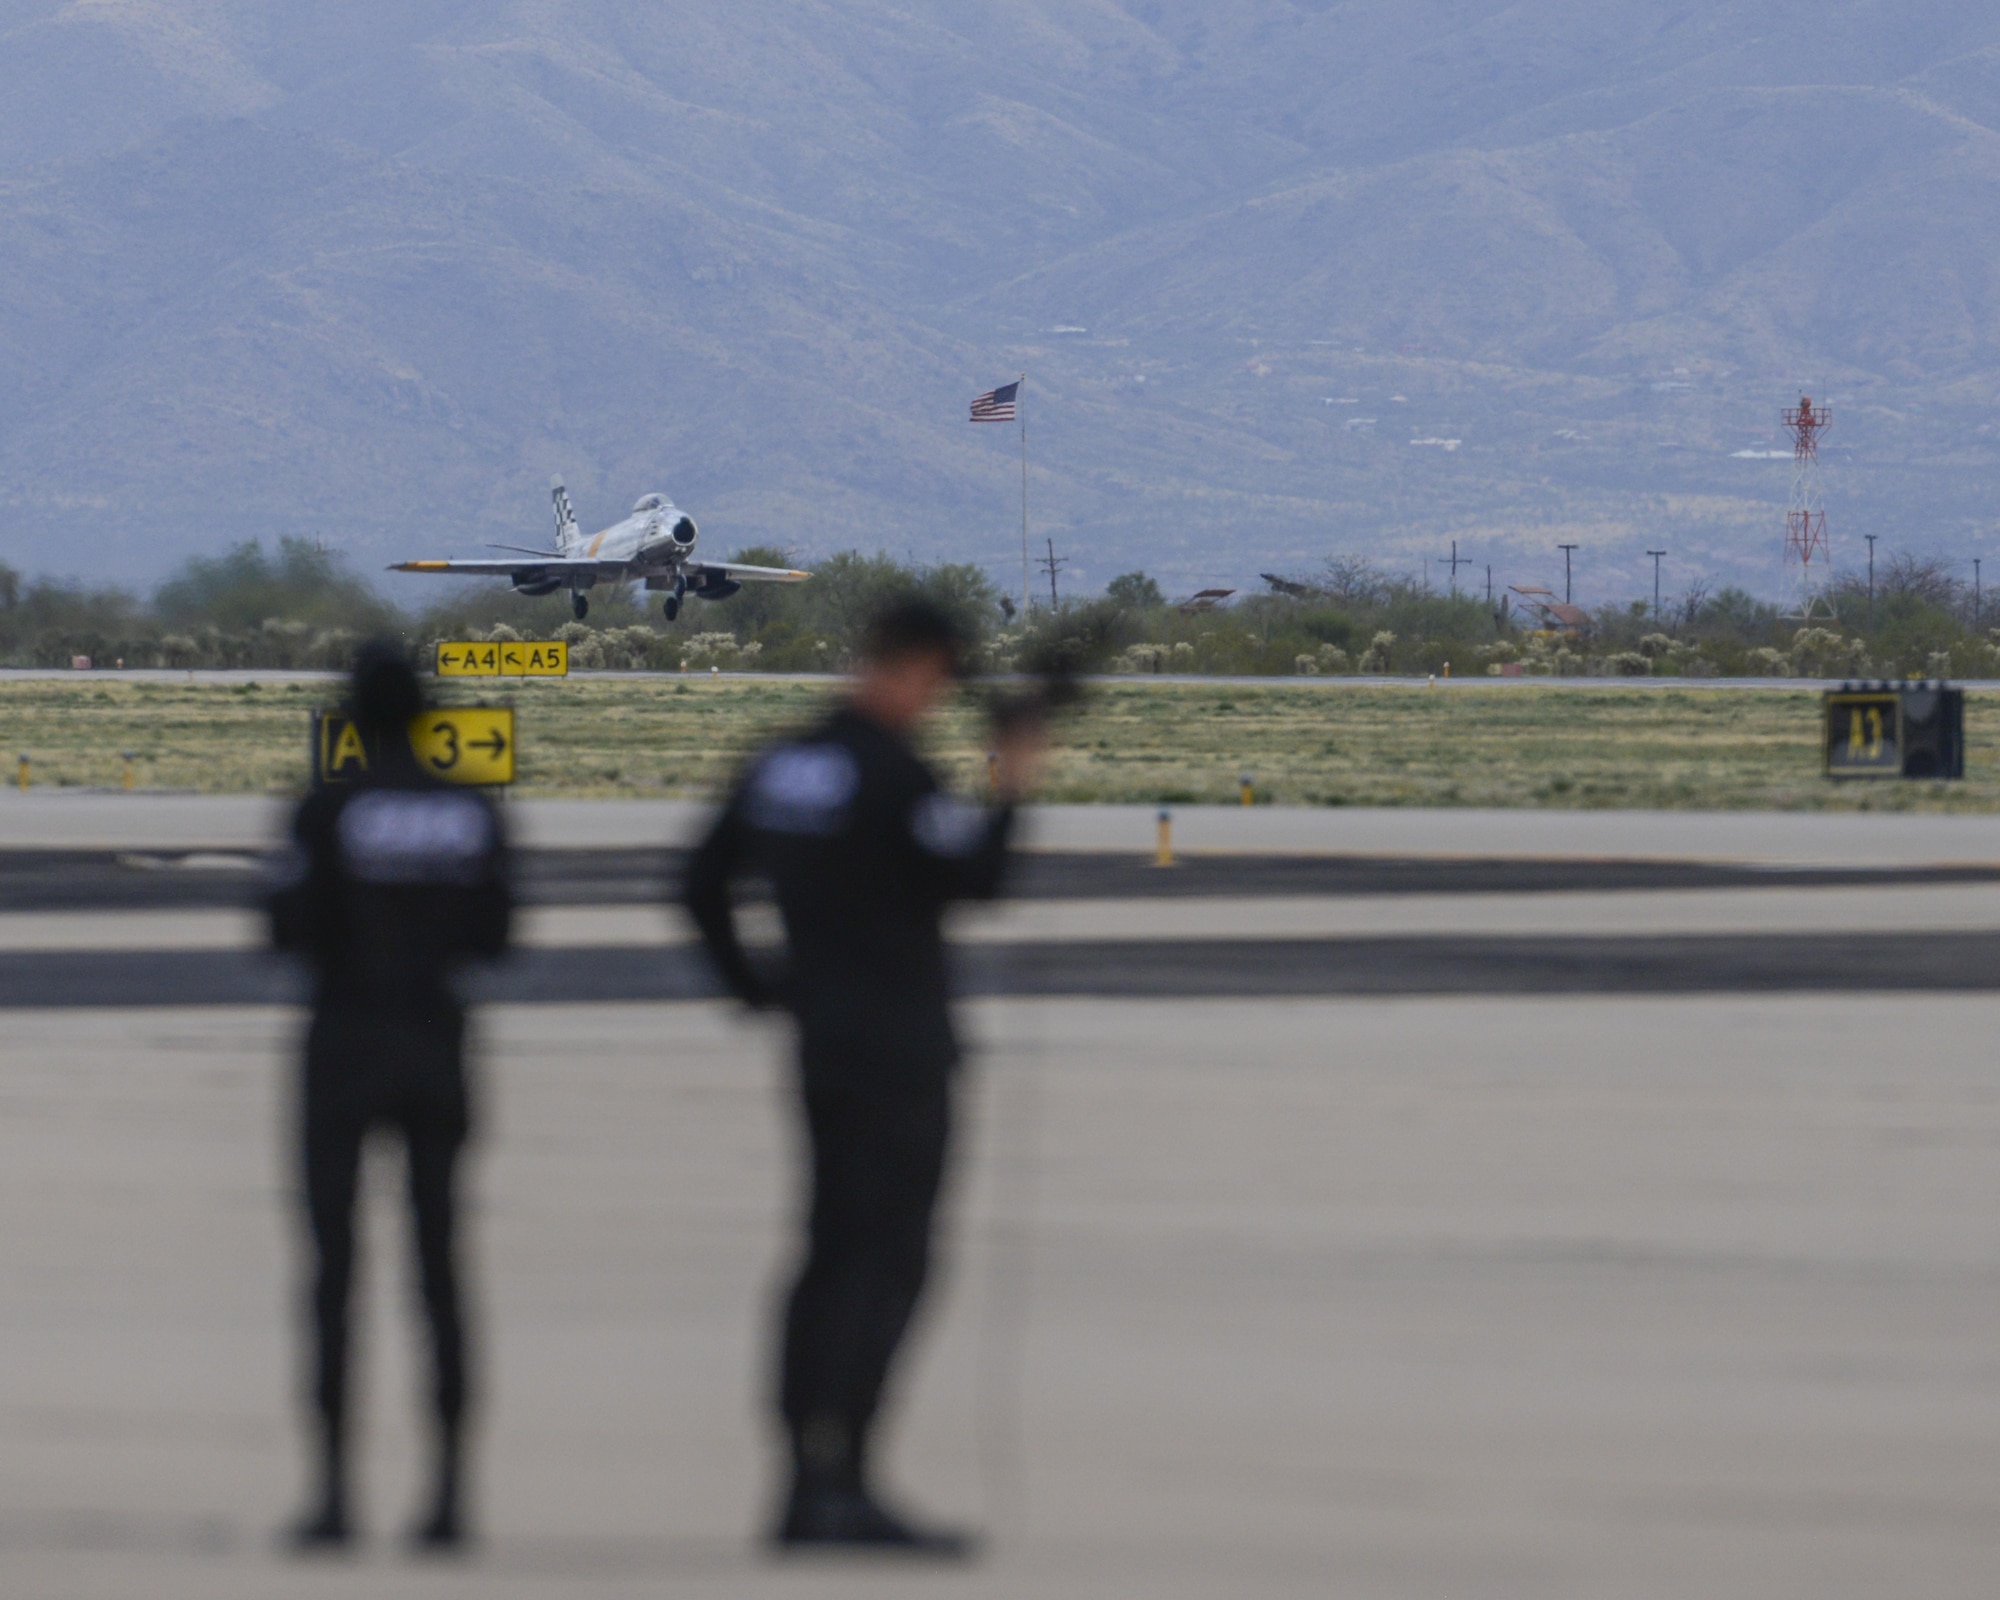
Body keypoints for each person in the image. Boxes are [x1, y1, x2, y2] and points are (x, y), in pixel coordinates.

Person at [684, 598, 1043, 1554]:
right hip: (899, 1049)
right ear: (920, 664)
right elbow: (977, 881)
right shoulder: (891, 770)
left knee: (824, 1252)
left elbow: (697, 877)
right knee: (891, 1262)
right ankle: (848, 1476)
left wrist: (759, 988)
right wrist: (1012, 781)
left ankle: (804, 1476)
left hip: (822, 1042)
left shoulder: (785, 762)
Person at [268, 642, 512, 1552]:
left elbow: (284, 928)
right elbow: (497, 933)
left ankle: (333, 1493)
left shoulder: (326, 807)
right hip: (435, 1045)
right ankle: (450, 1495)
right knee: (440, 1270)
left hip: (341, 1045)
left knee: (334, 1274)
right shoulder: (467, 810)